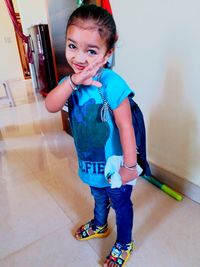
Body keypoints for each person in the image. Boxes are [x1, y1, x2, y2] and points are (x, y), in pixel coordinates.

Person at [45, 4, 139, 267]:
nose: (79, 58)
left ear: (108, 53)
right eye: (73, 46)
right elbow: (51, 106)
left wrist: (130, 167)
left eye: (92, 51)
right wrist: (72, 82)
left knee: (120, 204)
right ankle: (100, 225)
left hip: (115, 168)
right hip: (89, 163)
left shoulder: (112, 83)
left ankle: (124, 242)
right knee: (97, 196)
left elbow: (126, 127)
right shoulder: (70, 83)